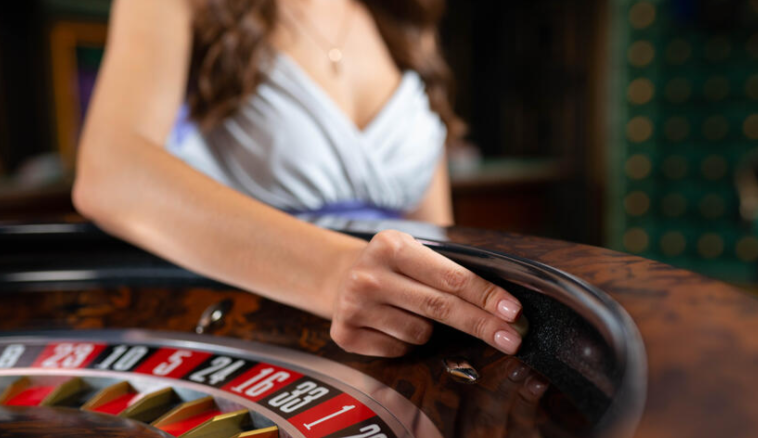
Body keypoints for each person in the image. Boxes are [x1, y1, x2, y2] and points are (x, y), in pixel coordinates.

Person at [73, 0, 524, 357]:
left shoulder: (404, 15)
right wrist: (335, 272)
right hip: (250, 336)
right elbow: (111, 173)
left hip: (392, 342)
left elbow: (433, 234)